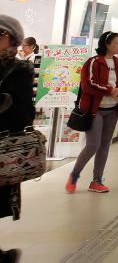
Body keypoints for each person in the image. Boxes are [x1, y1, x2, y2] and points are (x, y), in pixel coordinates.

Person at [66, 31, 118, 194]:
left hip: (112, 110)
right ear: (107, 44)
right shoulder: (93, 62)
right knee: (93, 145)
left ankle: (97, 180)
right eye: (116, 43)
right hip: (94, 110)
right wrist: (110, 90)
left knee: (104, 145)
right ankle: (74, 175)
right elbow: (88, 84)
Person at [0, 16, 35, 263]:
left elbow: (25, 113)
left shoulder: (20, 70)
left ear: (13, 39)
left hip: (3, 147)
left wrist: (5, 102)